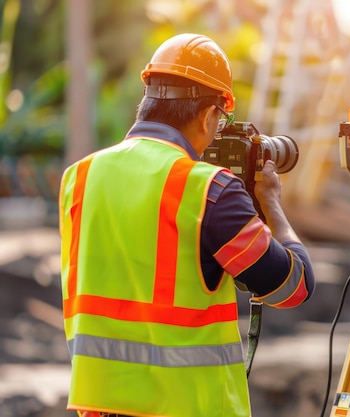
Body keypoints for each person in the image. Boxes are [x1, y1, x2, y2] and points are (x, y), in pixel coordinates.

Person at [58, 33, 316, 417]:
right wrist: (272, 204)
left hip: (98, 405)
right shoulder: (208, 188)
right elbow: (292, 286)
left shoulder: (79, 177)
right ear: (210, 114)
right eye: (220, 120)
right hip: (188, 406)